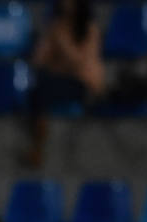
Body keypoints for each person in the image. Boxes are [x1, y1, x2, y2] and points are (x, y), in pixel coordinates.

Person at [23, 0, 104, 168]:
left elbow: (79, 63)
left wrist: (60, 45)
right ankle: (39, 134)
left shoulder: (89, 29)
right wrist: (49, 47)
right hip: (57, 81)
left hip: (82, 84)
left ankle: (38, 139)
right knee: (39, 85)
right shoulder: (56, 27)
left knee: (43, 87)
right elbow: (38, 60)